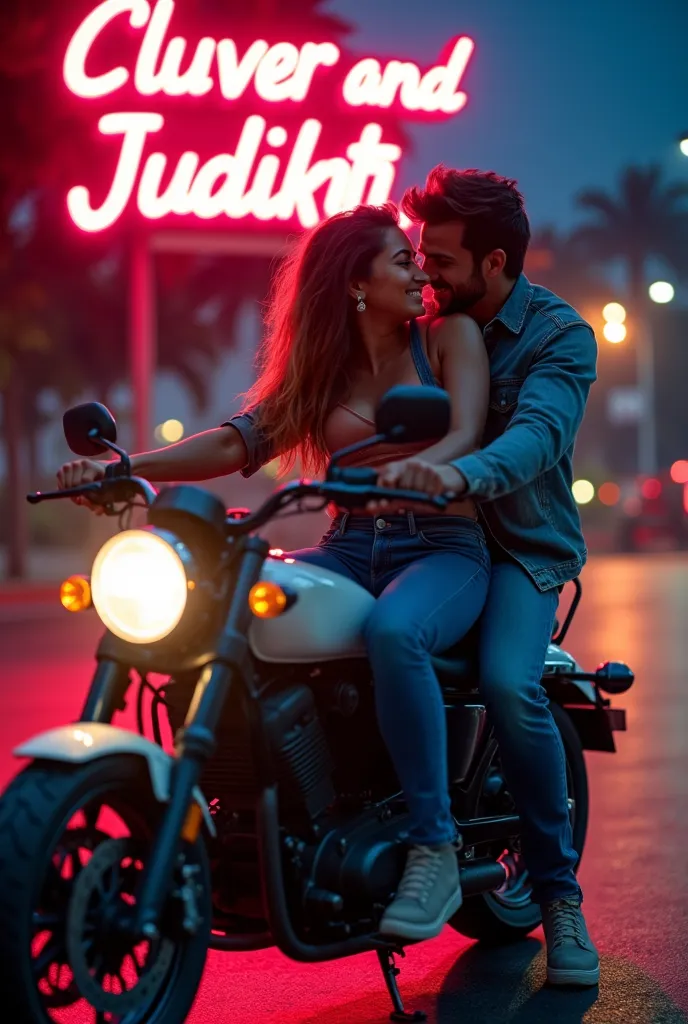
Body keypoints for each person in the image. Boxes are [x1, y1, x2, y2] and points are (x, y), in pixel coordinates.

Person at [57, 203, 493, 943]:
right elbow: (239, 444)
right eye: (400, 260)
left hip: (441, 545)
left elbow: (466, 429)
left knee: (395, 633)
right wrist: (126, 466)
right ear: (355, 285)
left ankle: (435, 846)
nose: (419, 270)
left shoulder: (448, 339)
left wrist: (429, 468)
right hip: (351, 542)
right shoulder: (323, 371)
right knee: (232, 609)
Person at [368, 166, 600, 988]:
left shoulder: (559, 336)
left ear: (494, 263)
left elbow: (536, 437)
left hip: (521, 551)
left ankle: (560, 896)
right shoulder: (423, 325)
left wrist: (459, 476)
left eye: (442, 260)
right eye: (418, 256)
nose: (425, 272)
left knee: (509, 685)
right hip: (430, 540)